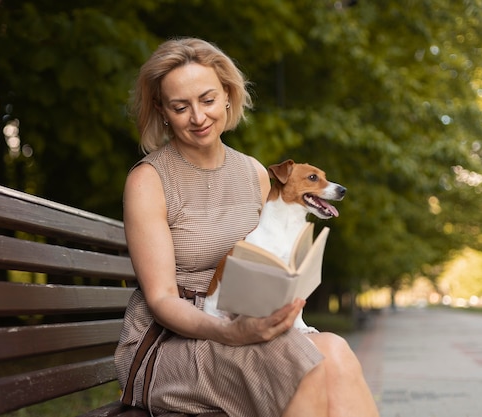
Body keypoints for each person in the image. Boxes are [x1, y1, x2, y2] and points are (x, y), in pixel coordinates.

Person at [115, 37, 380, 417]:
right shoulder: (149, 181)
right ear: (162, 110)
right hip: (169, 345)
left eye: (207, 100)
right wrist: (229, 332)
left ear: (227, 94)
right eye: (180, 106)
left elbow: (267, 257)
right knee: (309, 365)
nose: (198, 117)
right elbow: (161, 300)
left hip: (246, 321)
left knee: (333, 351)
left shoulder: (254, 172)